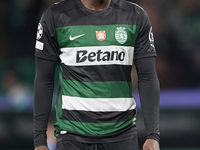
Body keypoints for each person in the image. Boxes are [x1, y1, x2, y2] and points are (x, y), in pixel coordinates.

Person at [33, 0, 160, 150]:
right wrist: (39, 140)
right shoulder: (55, 16)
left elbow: (147, 77)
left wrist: (153, 135)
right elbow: (44, 79)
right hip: (72, 135)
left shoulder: (135, 16)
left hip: (122, 134)